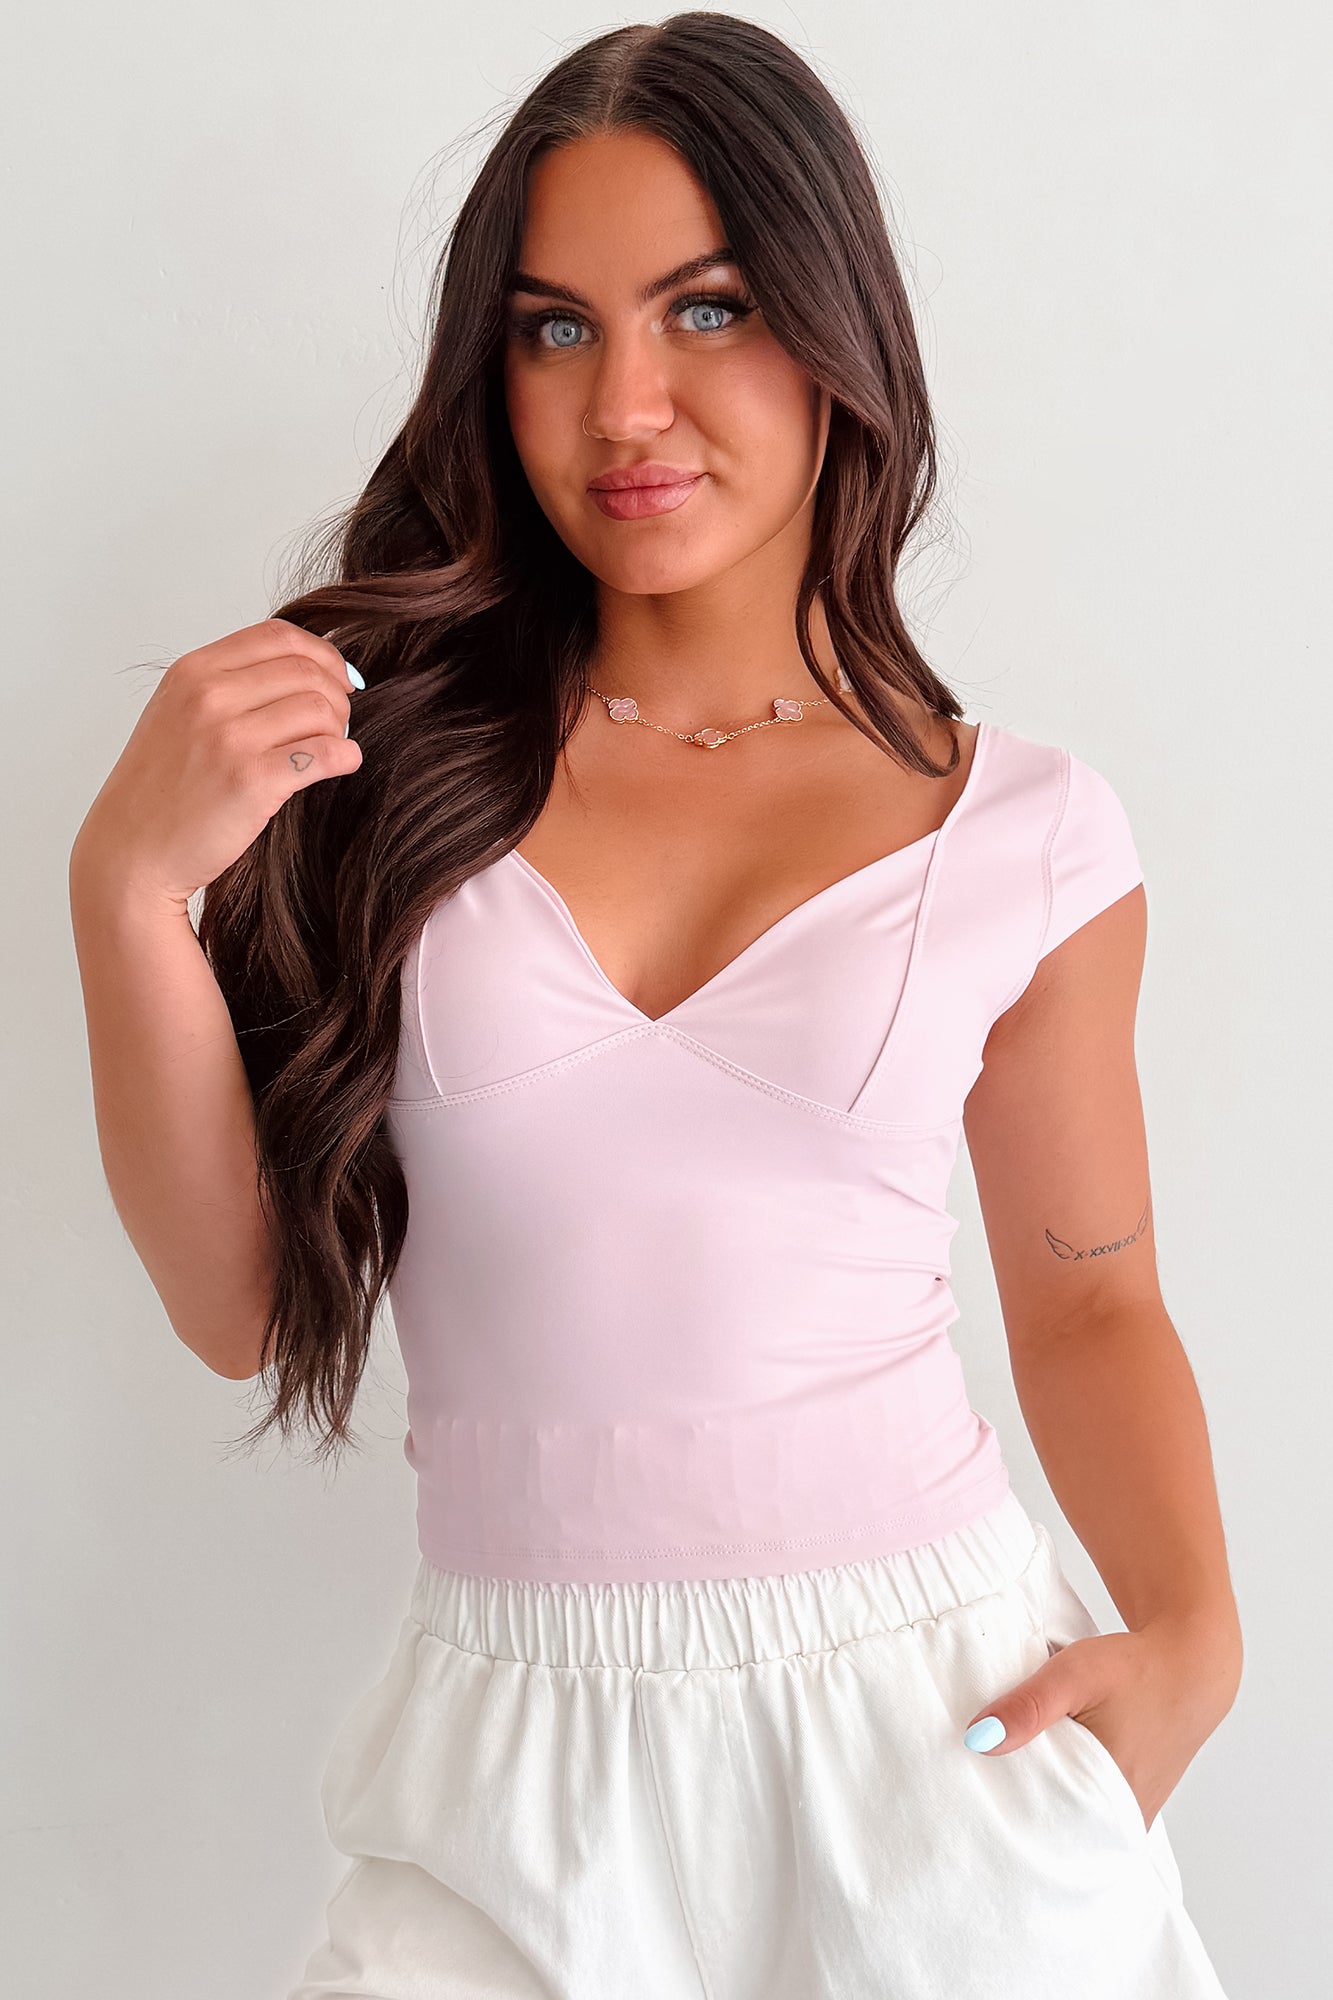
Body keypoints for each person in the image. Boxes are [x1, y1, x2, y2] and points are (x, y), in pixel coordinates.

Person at [68, 14, 1241, 1997]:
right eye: (553, 329)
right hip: (507, 1760)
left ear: (834, 330)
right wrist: (124, 890)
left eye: (706, 311)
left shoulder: (1024, 836)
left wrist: (1195, 1634)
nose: (624, 404)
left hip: (930, 1738)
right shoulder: (377, 774)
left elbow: (1091, 1305)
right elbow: (238, 1304)